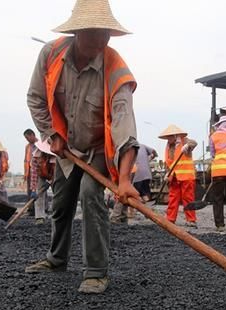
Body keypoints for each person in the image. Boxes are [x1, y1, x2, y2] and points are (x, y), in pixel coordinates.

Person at [24, 0, 140, 294]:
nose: (101, 40)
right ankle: (56, 258)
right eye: (93, 32)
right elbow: (36, 99)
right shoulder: (51, 55)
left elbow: (125, 126)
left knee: (90, 193)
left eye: (105, 33)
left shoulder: (115, 70)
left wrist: (124, 180)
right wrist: (52, 134)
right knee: (61, 202)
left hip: (100, 147)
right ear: (76, 32)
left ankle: (96, 271)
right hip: (67, 146)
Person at [159, 124, 197, 227]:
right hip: (174, 177)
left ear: (176, 135)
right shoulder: (168, 147)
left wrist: (188, 146)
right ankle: (170, 219)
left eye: (171, 136)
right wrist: (167, 173)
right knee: (173, 198)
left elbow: (194, 143)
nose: (169, 138)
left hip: (186, 176)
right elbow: (169, 163)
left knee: (188, 199)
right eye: (168, 136)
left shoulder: (184, 141)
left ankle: (191, 220)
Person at [110, 142, 157, 223]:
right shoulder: (142, 145)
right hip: (146, 173)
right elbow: (154, 152)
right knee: (144, 193)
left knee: (129, 193)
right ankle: (147, 211)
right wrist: (149, 159)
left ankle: (121, 215)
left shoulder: (126, 148)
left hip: (135, 173)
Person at [31, 140, 56, 224]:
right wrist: (34, 189)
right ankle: (39, 217)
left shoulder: (55, 157)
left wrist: (49, 181)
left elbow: (55, 172)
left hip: (53, 175)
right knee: (39, 194)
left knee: (57, 193)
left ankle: (57, 215)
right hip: (41, 174)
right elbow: (34, 174)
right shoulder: (36, 157)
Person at [23, 129, 38, 215]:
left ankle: (42, 208)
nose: (27, 140)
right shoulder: (27, 147)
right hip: (29, 170)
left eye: (28, 137)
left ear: (33, 135)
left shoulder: (39, 145)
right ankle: (31, 209)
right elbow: (25, 159)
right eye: (26, 138)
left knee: (39, 189)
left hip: (38, 170)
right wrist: (25, 172)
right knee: (30, 191)